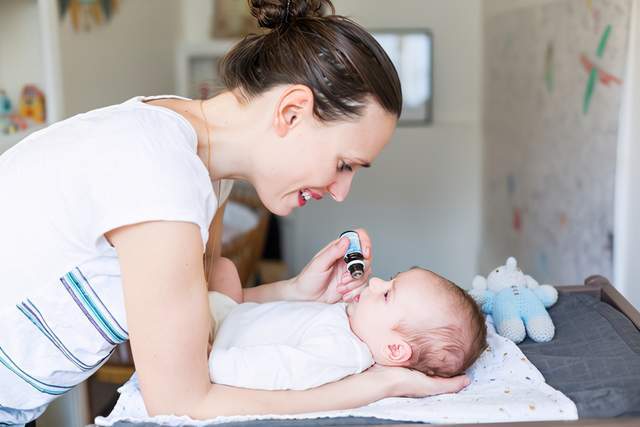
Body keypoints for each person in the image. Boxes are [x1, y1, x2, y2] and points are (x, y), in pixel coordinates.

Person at [0, 0, 469, 424]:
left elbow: (199, 307)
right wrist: (371, 387)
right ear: (291, 112)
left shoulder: (202, 168)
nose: (342, 191)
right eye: (344, 164)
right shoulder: (160, 173)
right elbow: (182, 402)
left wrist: (296, 291)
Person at [206, 259, 488, 392]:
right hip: (233, 316)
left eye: (387, 294)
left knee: (208, 275)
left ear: (394, 349)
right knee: (223, 267)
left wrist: (212, 363)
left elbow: (280, 368)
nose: (376, 283)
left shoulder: (342, 352)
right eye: (390, 278)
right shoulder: (354, 321)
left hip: (217, 341)